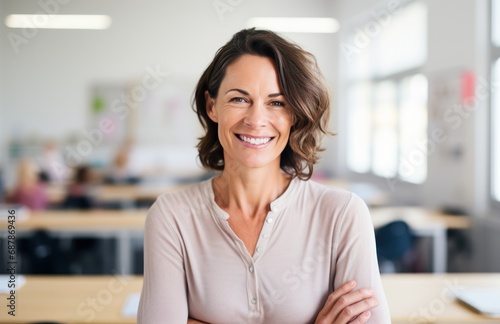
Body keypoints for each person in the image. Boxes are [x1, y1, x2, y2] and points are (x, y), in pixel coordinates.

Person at [138, 28, 391, 323]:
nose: (256, 120)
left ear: (295, 114)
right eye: (239, 99)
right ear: (212, 106)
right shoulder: (171, 217)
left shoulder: (343, 214)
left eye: (277, 102)